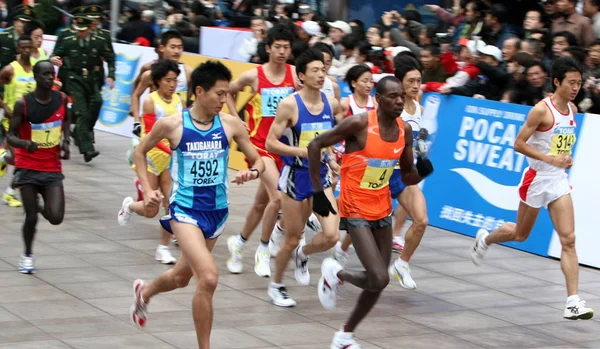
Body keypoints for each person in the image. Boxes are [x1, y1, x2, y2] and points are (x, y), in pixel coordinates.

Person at [128, 61, 265, 349]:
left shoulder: (230, 124)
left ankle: (146, 292)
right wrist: (149, 189)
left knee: (181, 277)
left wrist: (252, 171)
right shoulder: (173, 125)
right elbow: (139, 151)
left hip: (216, 212)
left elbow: (260, 160)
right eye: (219, 94)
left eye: (227, 94)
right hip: (185, 210)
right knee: (209, 278)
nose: (224, 100)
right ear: (199, 92)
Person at [308, 76, 433, 348]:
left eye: (402, 95)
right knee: (377, 276)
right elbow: (314, 145)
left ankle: (345, 335)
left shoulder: (404, 132)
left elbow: (407, 177)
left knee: (380, 281)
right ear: (379, 99)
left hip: (382, 207)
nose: (400, 100)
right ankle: (336, 273)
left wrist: (422, 171)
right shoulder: (360, 123)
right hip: (354, 207)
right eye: (393, 96)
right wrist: (319, 193)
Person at [471, 56, 594, 320]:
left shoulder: (571, 109)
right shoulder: (541, 110)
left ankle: (573, 301)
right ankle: (486, 239)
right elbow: (518, 143)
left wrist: (564, 159)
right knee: (520, 234)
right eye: (571, 83)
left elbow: (561, 143)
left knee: (569, 239)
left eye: (579, 83)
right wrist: (550, 159)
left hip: (558, 180)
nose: (575, 87)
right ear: (557, 82)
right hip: (536, 179)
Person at [265, 48, 342, 307]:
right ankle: (276, 285)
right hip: (295, 179)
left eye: (323, 69)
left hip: (320, 178)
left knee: (332, 236)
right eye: (315, 71)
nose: (321, 75)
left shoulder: (330, 104)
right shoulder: (290, 104)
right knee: (292, 236)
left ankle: (304, 253)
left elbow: (326, 138)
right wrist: (303, 151)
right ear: (301, 76)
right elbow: (270, 143)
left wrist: (330, 159)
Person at [224, 24, 296, 277]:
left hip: (284, 148)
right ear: (268, 48)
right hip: (259, 148)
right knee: (278, 198)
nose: (281, 52)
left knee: (261, 204)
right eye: (277, 47)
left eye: (286, 47)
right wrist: (237, 119)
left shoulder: (295, 75)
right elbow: (228, 93)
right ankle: (263, 250)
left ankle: (239, 243)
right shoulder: (253, 75)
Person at [6, 60, 70, 274]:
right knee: (31, 216)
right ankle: (27, 255)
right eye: (45, 74)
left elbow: (66, 122)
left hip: (51, 167)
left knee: (56, 217)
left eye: (52, 74)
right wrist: (25, 144)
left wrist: (66, 142)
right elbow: (10, 135)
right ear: (36, 77)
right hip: (27, 167)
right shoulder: (23, 104)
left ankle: (40, 206)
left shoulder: (61, 99)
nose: (50, 78)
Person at [117, 59, 183, 264]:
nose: (172, 85)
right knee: (150, 209)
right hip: (152, 158)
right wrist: (173, 147)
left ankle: (163, 247)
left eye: (175, 80)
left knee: (171, 202)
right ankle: (129, 206)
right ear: (158, 81)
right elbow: (150, 135)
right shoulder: (150, 101)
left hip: (169, 161)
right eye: (168, 80)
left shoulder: (179, 101)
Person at [387, 55, 430, 290]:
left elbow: (416, 132)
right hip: (382, 171)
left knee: (422, 220)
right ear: (398, 82)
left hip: (404, 173)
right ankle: (340, 255)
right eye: (411, 81)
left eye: (419, 81)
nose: (416, 86)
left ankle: (402, 265)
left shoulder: (418, 102)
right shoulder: (390, 105)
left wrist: (420, 147)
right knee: (363, 226)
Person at [50, 15, 115, 163]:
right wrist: (53, 58)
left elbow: (111, 57)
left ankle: (79, 130)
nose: (81, 33)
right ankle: (87, 149)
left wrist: (111, 75)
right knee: (82, 112)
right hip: (75, 79)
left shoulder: (98, 42)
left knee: (97, 101)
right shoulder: (69, 41)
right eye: (79, 30)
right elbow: (56, 53)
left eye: (84, 30)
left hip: (92, 79)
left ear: (89, 29)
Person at [131, 30, 192, 132]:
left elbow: (190, 97)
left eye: (180, 47)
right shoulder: (149, 70)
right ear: (162, 48)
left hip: (177, 126)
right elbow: (136, 92)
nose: (176, 51)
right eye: (172, 47)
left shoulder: (188, 72)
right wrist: (136, 121)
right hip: (154, 124)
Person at [0, 36, 36, 208]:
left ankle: (3, 157)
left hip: (29, 122)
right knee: (22, 161)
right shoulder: (9, 70)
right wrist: (4, 105)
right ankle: (9, 193)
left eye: (29, 47)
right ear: (18, 49)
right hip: (12, 121)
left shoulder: (36, 68)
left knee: (21, 160)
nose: (27, 50)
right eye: (23, 47)